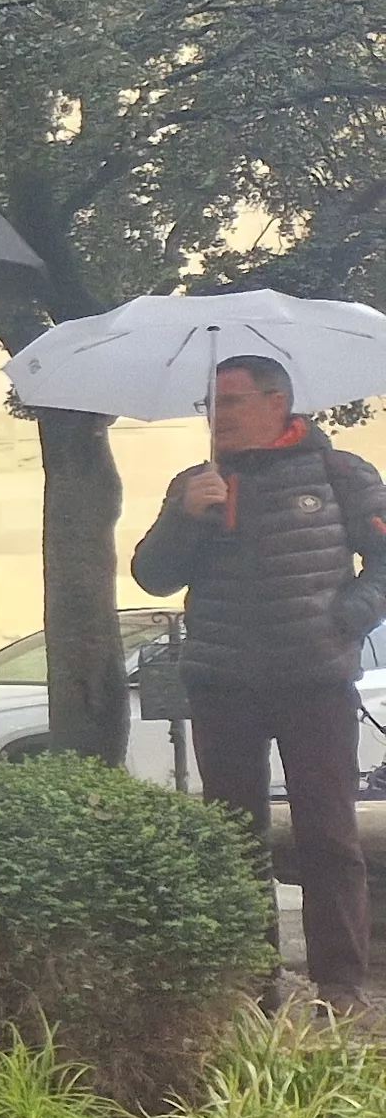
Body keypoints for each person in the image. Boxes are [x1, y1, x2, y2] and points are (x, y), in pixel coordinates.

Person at [131, 354, 386, 1012]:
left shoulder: (340, 473)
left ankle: (339, 985)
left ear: (278, 403)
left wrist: (348, 617)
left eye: (233, 402)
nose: (219, 418)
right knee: (233, 838)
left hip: (316, 681)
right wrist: (185, 515)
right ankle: (250, 979)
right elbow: (152, 576)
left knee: (328, 834)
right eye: (211, 405)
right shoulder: (197, 481)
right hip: (222, 684)